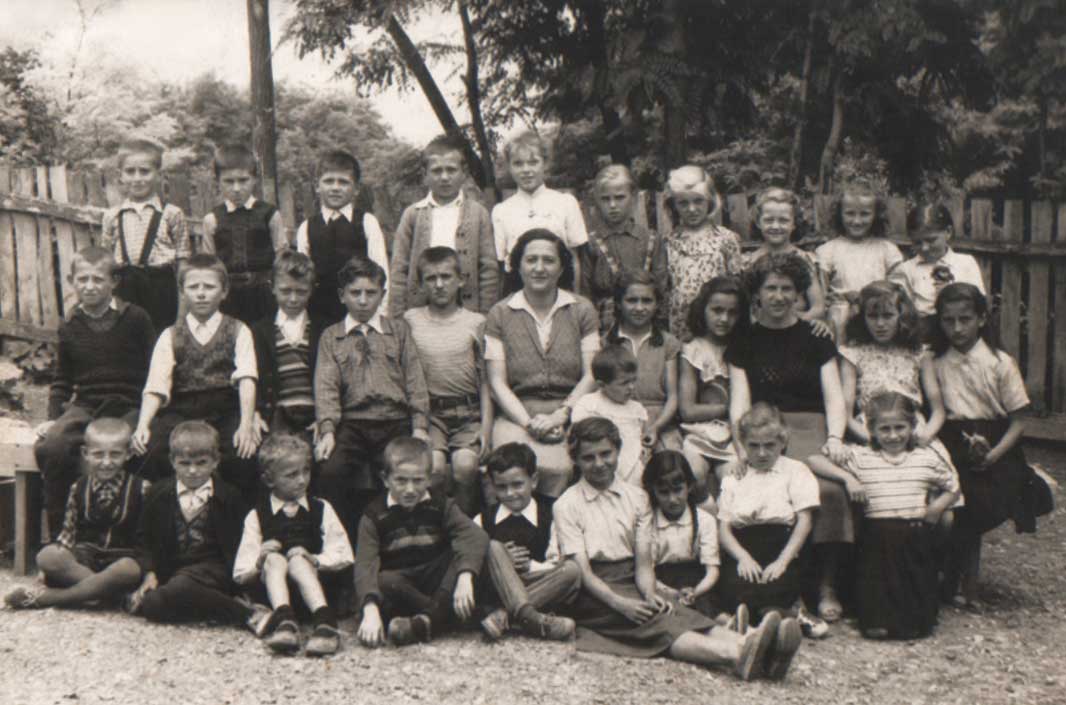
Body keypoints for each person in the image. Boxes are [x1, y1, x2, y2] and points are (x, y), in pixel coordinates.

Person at [553, 417, 797, 681]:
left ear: (618, 450)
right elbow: (583, 572)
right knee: (654, 622)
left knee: (677, 612)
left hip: (632, 578)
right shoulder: (567, 505)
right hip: (594, 592)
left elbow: (643, 563)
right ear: (575, 460)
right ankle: (737, 655)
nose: (599, 463)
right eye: (588, 457)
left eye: (605, 454)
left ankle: (760, 646)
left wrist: (649, 593)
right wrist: (621, 604)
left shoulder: (637, 498)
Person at [725, 252, 851, 624]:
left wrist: (835, 438)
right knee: (767, 488)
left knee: (829, 491)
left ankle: (826, 586)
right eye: (771, 289)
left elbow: (834, 397)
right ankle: (773, 587)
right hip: (764, 432)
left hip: (811, 429)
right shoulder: (744, 341)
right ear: (757, 294)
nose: (779, 297)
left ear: (798, 294)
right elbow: (739, 402)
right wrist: (741, 448)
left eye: (787, 289)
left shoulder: (816, 337)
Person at [807, 392, 960, 639]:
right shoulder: (861, 456)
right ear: (871, 430)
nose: (893, 435)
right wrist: (847, 479)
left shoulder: (926, 458)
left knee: (917, 606)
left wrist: (937, 507)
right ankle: (877, 620)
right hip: (876, 537)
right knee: (876, 589)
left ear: (912, 426)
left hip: (914, 534)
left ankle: (913, 622)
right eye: (884, 429)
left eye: (900, 427)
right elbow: (814, 460)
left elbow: (953, 487)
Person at [33, 246, 155, 537]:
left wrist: (148, 418)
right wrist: (53, 418)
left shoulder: (136, 318)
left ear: (114, 282)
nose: (89, 286)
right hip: (87, 404)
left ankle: (125, 537)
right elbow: (62, 379)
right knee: (54, 446)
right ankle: (62, 536)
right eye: (82, 279)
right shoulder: (70, 325)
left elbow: (155, 371)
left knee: (133, 449)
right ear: (72, 281)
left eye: (98, 279)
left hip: (129, 403)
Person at [930, 283, 1037, 610]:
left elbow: (1019, 421)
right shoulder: (936, 362)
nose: (957, 328)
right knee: (956, 501)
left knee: (979, 504)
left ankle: (967, 584)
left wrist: (993, 455)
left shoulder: (999, 362)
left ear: (981, 319)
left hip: (997, 443)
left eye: (965, 319)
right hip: (952, 440)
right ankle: (951, 580)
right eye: (948, 320)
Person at [313, 257, 430, 545]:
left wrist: (419, 426)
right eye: (355, 293)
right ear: (342, 295)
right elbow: (326, 387)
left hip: (394, 420)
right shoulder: (332, 337)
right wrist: (328, 430)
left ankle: (399, 542)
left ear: (382, 294)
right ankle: (343, 544)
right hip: (352, 424)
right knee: (330, 472)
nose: (363, 300)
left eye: (371, 293)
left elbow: (414, 379)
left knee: (400, 472)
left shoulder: (398, 331)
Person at [131, 254, 260, 501]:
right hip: (182, 410)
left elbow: (247, 379)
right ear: (182, 292)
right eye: (193, 287)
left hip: (225, 409)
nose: (201, 294)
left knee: (242, 452)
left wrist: (246, 424)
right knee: (152, 449)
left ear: (224, 291)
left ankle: (229, 513)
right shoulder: (170, 335)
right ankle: (175, 508)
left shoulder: (239, 330)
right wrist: (143, 424)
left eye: (209, 287)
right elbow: (156, 386)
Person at [127, 422, 271, 637]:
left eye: (201, 463)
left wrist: (242, 586)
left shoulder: (229, 496)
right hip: (173, 570)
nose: (192, 470)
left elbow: (239, 543)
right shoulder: (158, 493)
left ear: (215, 461)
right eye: (184, 463)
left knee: (178, 588)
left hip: (215, 570)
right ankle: (217, 605)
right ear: (172, 462)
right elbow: (143, 539)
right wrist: (150, 573)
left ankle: (247, 615)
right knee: (152, 604)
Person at [484, 229, 600, 498]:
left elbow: (592, 374)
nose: (539, 268)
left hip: (571, 414)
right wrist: (529, 424)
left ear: (561, 268)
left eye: (548, 260)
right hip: (517, 416)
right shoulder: (499, 313)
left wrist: (560, 416)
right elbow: (497, 382)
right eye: (531, 260)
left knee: (561, 469)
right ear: (518, 266)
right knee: (509, 469)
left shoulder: (582, 310)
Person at [354, 437, 489, 647]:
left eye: (417, 481)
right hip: (403, 587)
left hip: (436, 581)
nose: (410, 489)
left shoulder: (441, 504)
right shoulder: (374, 515)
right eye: (401, 480)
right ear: (385, 479)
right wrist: (370, 610)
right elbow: (365, 564)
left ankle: (428, 621)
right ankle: (445, 617)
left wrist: (465, 577)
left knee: (461, 555)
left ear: (429, 479)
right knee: (384, 580)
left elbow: (474, 535)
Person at [5, 419, 147, 611]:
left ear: (128, 454)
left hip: (120, 560)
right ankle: (114, 597)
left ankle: (50, 598)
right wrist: (52, 564)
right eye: (98, 454)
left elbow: (146, 540)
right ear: (85, 454)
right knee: (47, 556)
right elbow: (68, 535)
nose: (106, 462)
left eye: (115, 454)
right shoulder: (78, 487)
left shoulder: (141, 488)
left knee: (129, 568)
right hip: (85, 560)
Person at [233, 435, 353, 656]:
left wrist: (315, 559)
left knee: (298, 560)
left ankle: (325, 623)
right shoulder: (257, 515)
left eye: (306, 471)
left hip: (315, 595)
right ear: (269, 480)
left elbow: (343, 553)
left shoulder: (321, 508)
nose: (302, 480)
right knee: (274, 558)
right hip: (274, 597)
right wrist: (259, 561)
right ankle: (285, 622)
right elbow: (240, 573)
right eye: (291, 475)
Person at [716, 404, 825, 639]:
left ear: (782, 442)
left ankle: (776, 619)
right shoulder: (735, 476)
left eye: (769, 445)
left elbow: (805, 520)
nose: (762, 453)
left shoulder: (796, 470)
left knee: (777, 587)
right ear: (743, 444)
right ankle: (776, 621)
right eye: (754, 446)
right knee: (736, 589)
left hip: (783, 546)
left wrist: (783, 561)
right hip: (744, 546)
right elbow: (724, 528)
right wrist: (742, 557)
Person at [403, 247, 491, 516]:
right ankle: (438, 522)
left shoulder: (476, 322)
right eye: (431, 278)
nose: (439, 284)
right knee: (434, 467)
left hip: (468, 413)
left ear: (461, 280)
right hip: (431, 415)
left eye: (446, 277)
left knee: (465, 466)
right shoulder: (411, 320)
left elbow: (486, 381)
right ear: (421, 284)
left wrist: (486, 428)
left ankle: (463, 524)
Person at [475, 442, 580, 642]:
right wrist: (502, 561)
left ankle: (504, 616)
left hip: (539, 584)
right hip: (499, 588)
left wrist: (529, 565)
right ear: (493, 486)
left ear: (533, 481)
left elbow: (555, 562)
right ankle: (530, 618)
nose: (510, 493)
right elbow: (474, 565)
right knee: (493, 547)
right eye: (501, 487)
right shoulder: (484, 519)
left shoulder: (551, 514)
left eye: (517, 484)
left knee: (572, 570)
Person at [388, 134, 498, 317]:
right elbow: (399, 269)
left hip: (466, 310)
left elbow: (488, 269)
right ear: (425, 175)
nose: (444, 177)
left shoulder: (478, 214)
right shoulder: (413, 214)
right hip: (420, 310)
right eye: (437, 171)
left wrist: (486, 314)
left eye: (451, 170)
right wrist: (397, 315)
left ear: (464, 173)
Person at [839, 280, 946, 447]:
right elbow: (845, 414)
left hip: (914, 432)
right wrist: (871, 439)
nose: (880, 324)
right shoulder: (852, 354)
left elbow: (938, 410)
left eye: (888, 315)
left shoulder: (918, 353)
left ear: (902, 316)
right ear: (863, 318)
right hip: (869, 433)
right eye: (872, 316)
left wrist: (925, 435)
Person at [100, 138, 190, 331]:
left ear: (158, 175)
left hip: (161, 288)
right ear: (120, 176)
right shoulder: (112, 215)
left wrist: (183, 307)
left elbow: (183, 261)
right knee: (128, 340)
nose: (137, 178)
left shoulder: (172, 214)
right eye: (130, 171)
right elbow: (106, 261)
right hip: (125, 288)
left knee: (161, 340)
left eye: (144, 171)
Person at [295, 150, 390, 323]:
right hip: (319, 315)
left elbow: (381, 272)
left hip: (361, 313)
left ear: (356, 189)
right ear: (317, 186)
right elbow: (303, 279)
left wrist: (380, 314)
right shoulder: (306, 227)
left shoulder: (367, 222)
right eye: (329, 181)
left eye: (343, 182)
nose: (335, 188)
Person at [200, 144, 288, 325]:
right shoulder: (212, 219)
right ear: (218, 181)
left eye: (243, 180)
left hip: (264, 295)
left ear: (254, 179)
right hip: (228, 297)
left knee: (263, 335)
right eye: (229, 181)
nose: (236, 188)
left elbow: (281, 257)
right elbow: (210, 264)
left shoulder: (270, 215)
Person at [678, 277, 749, 500]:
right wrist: (730, 408)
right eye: (717, 310)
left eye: (732, 312)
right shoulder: (693, 349)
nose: (724, 319)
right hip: (698, 434)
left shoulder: (744, 348)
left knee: (734, 484)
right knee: (693, 475)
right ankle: (705, 516)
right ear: (703, 310)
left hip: (733, 437)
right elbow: (687, 410)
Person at [491, 131, 588, 292]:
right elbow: (502, 266)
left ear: (545, 163)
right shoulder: (501, 211)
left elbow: (575, 259)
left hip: (560, 287)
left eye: (533, 162)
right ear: (509, 167)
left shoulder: (565, 202)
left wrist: (575, 299)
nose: (526, 170)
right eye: (518, 164)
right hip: (518, 289)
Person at [580, 165, 668, 331]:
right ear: (597, 201)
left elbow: (661, 288)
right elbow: (585, 293)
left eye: (619, 197)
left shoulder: (651, 240)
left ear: (633, 197)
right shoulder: (591, 244)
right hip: (605, 325)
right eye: (605, 199)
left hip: (646, 322)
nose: (613, 205)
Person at [635, 451, 722, 619]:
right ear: (653, 491)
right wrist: (673, 593)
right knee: (669, 611)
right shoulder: (648, 523)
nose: (672, 499)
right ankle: (733, 628)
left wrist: (696, 591)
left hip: (699, 582)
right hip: (662, 583)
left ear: (689, 486)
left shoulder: (704, 520)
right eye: (664, 492)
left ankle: (740, 627)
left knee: (708, 604)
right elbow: (647, 570)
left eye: (678, 490)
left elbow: (712, 570)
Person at [250, 250, 328, 437]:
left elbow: (333, 380)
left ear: (312, 290)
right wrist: (256, 412)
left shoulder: (324, 330)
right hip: (277, 415)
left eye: (301, 291)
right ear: (272, 287)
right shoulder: (260, 331)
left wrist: (326, 418)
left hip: (316, 416)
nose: (293, 299)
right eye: (285, 291)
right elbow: (255, 376)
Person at [603, 271, 682, 451]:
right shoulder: (607, 342)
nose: (639, 308)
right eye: (632, 300)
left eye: (647, 301)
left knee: (671, 458)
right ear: (619, 303)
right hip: (618, 416)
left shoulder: (668, 343)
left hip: (660, 420)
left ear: (657, 304)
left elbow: (673, 397)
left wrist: (656, 428)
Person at [815, 179, 903, 341]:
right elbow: (821, 295)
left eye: (864, 214)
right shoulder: (828, 250)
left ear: (876, 215)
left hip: (877, 319)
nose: (856, 221)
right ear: (840, 214)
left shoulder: (887, 250)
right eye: (850, 213)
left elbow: (898, 291)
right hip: (840, 320)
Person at [662, 165, 742, 341]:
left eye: (698, 201)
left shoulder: (725, 238)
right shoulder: (668, 242)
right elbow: (665, 288)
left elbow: (736, 284)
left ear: (710, 201)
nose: (691, 209)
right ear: (674, 206)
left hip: (718, 323)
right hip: (681, 325)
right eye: (683, 203)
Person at [890, 200, 985, 338]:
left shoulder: (966, 263)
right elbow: (902, 314)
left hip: (961, 332)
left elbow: (980, 305)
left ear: (948, 232)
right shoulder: (906, 270)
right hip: (924, 335)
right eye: (917, 242)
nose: (924, 248)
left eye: (931, 240)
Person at [742, 187, 825, 324]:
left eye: (783, 220)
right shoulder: (748, 262)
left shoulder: (804, 259)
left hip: (796, 330)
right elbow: (745, 308)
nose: (776, 226)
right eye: (769, 220)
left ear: (794, 223)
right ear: (758, 222)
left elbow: (818, 308)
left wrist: (789, 324)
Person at [572, 345, 650, 486]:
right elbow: (582, 443)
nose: (631, 387)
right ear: (601, 385)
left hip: (634, 470)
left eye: (633, 380)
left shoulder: (636, 409)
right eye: (624, 383)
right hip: (600, 466)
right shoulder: (589, 405)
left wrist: (645, 449)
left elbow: (642, 437)